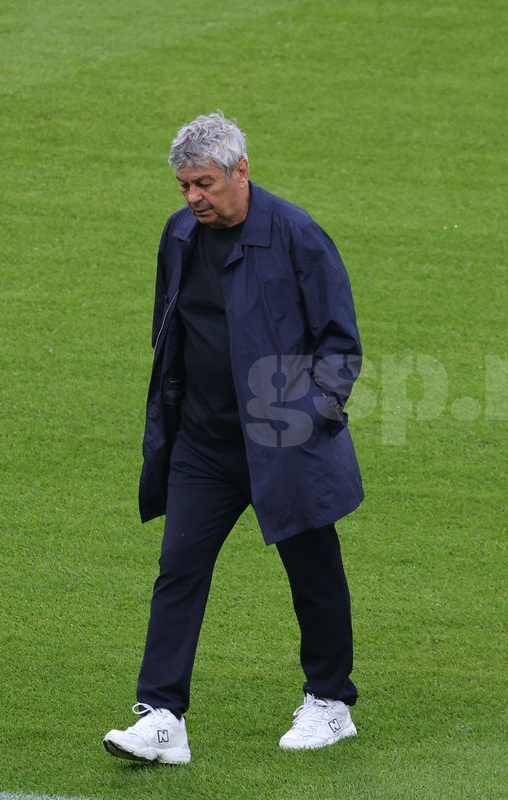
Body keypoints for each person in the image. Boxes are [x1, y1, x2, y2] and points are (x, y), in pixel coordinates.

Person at [104, 111, 364, 762]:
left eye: (204, 184)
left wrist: (309, 416)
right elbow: (170, 327)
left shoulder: (298, 236)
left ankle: (329, 702)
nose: (193, 198)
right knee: (179, 568)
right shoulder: (179, 235)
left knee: (313, 572)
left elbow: (340, 344)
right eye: (184, 186)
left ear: (240, 171)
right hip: (204, 444)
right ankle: (163, 716)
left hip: (284, 442)